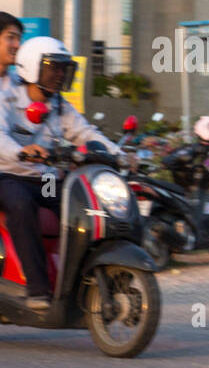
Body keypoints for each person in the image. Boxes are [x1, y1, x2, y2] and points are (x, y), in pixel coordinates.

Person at [0, 31, 120, 309]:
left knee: (74, 203)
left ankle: (77, 280)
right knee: (20, 204)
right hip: (7, 175)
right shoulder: (6, 96)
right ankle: (38, 289)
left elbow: (85, 132)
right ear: (32, 66)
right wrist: (21, 151)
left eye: (63, 68)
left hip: (45, 178)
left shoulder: (58, 105)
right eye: (53, 67)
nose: (59, 74)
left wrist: (120, 155)